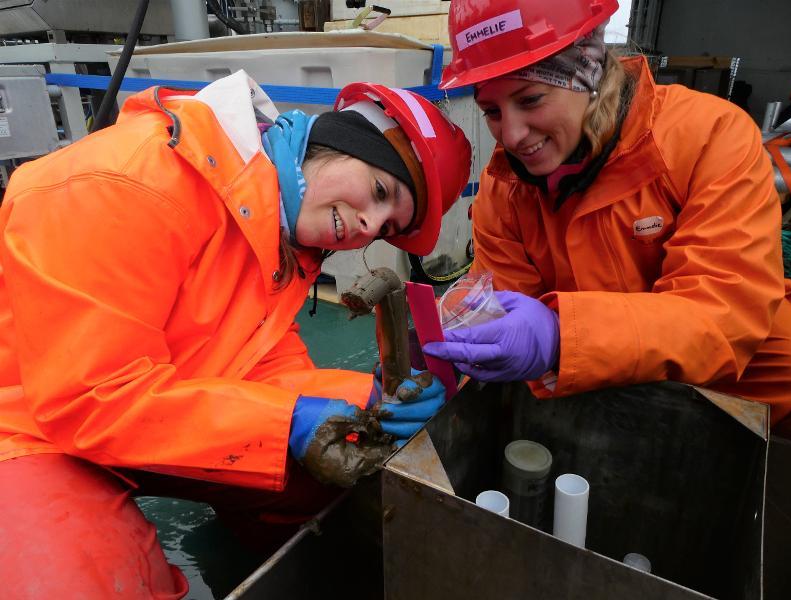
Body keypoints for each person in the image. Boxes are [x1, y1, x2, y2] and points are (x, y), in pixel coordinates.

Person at [0, 70, 471, 598]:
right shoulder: (124, 181)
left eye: (386, 226)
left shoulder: (276, 233)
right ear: (336, 141)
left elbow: (254, 358)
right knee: (87, 583)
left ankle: (283, 564)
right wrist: (286, 423)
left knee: (355, 437)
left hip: (147, 412)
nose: (369, 225)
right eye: (379, 192)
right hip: (31, 433)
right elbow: (89, 397)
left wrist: (375, 400)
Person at [425, 0, 791, 438]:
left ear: (587, 71)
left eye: (530, 99)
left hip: (743, 387)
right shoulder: (505, 188)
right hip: (583, 389)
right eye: (492, 111)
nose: (510, 135)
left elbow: (724, 313)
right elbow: (498, 317)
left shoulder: (710, 138)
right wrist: (439, 360)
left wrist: (564, 335)